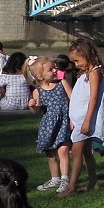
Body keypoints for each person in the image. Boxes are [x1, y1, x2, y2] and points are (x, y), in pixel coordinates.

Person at [59, 38, 104, 197]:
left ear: (87, 55)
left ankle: (71, 187)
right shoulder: (87, 73)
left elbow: (93, 98)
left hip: (85, 120)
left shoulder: (94, 73)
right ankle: (93, 182)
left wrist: (87, 120)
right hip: (80, 119)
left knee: (76, 151)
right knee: (86, 152)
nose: (76, 64)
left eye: (77, 60)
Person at [32, 57, 73, 193]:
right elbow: (37, 111)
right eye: (51, 69)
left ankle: (65, 179)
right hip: (48, 125)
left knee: (63, 150)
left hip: (63, 122)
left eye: (55, 67)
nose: (55, 70)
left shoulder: (62, 84)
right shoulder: (38, 91)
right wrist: (32, 106)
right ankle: (55, 178)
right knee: (50, 153)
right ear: (40, 76)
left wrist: (72, 119)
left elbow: (72, 98)